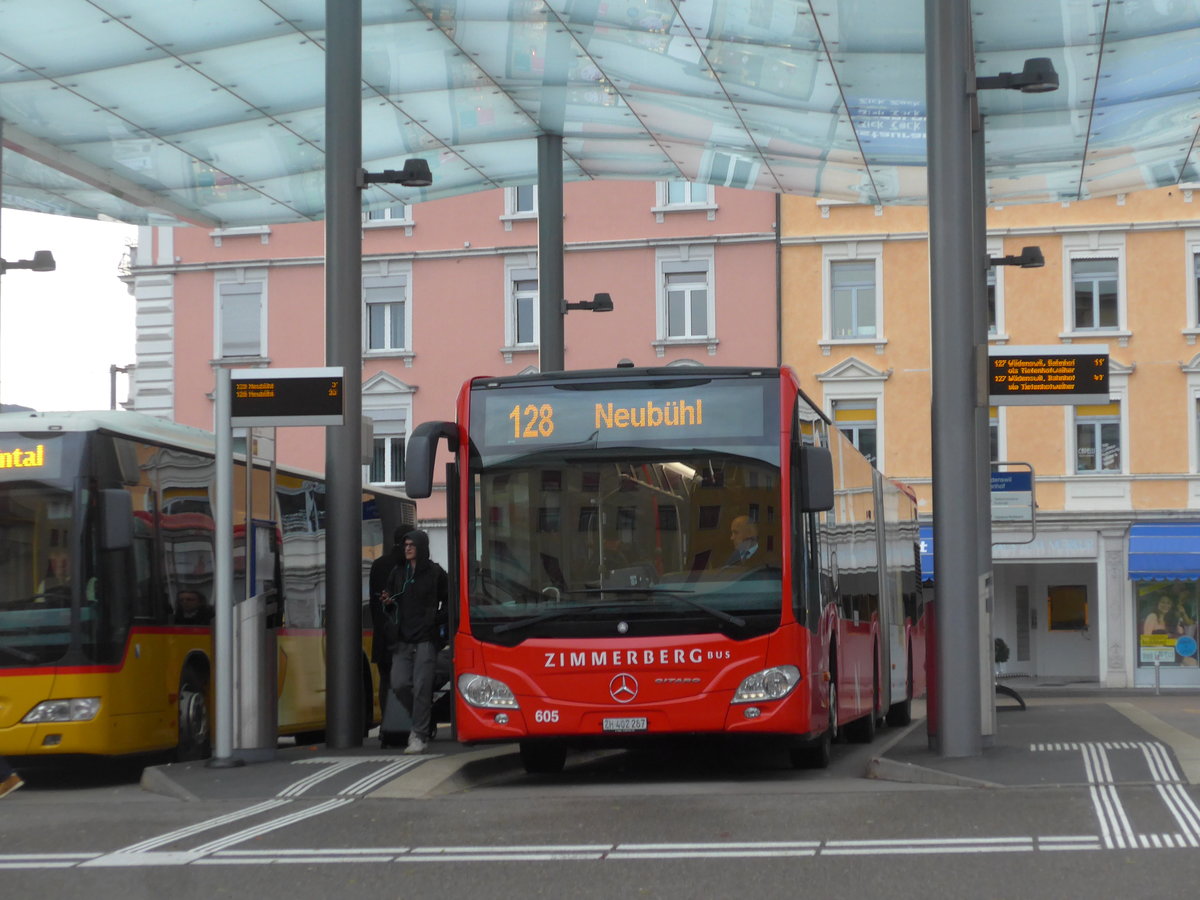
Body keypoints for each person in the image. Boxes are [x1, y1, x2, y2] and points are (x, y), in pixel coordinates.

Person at [382, 530, 447, 755]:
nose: (407, 548)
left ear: (421, 547)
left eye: (412, 545)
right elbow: (389, 602)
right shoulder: (397, 572)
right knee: (399, 684)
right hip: (403, 638)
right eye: (405, 545)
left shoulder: (436, 573)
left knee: (422, 687)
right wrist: (388, 603)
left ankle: (418, 734)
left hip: (426, 638)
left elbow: (449, 603)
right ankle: (425, 720)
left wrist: (435, 620)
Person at [369, 527, 406, 720]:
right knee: (405, 679)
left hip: (382, 634)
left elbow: (373, 603)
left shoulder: (378, 565)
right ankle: (401, 723)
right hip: (405, 634)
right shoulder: (409, 566)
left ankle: (387, 723)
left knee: (385, 679)